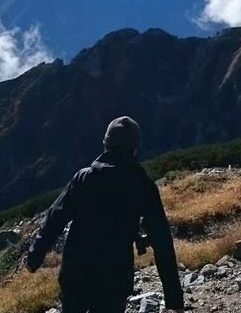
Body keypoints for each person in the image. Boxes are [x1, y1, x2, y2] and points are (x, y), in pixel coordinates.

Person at [24, 116, 185, 313]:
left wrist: (34, 257)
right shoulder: (144, 186)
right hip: (115, 280)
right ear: (135, 148)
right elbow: (162, 240)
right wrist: (174, 300)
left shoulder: (83, 178)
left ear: (106, 144)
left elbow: (54, 219)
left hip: (76, 275)